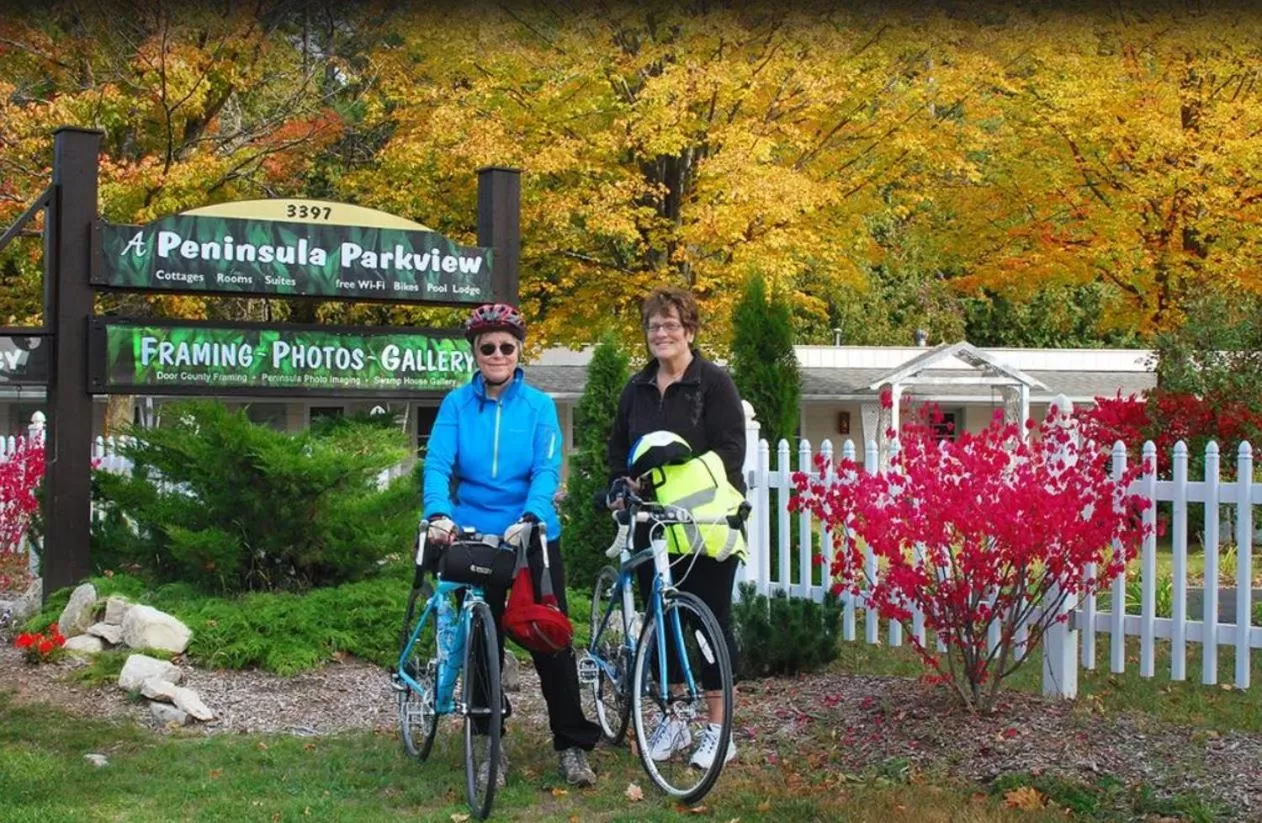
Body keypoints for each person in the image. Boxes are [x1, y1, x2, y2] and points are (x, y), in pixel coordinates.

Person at [424, 302, 601, 789]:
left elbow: (546, 469)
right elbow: (438, 464)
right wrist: (439, 513)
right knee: (481, 646)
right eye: (488, 347)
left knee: (551, 640)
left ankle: (571, 745)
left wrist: (532, 515)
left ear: (519, 351)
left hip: (531, 535)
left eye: (507, 346)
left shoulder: (539, 406)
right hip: (473, 537)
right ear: (475, 353)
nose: (498, 354)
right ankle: (489, 746)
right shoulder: (456, 405)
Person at [606, 285, 746, 770]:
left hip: (704, 521)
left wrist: (673, 470)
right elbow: (618, 450)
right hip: (652, 524)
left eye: (670, 324)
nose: (661, 333)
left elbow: (731, 451)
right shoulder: (637, 388)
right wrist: (621, 484)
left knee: (709, 623)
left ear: (689, 330)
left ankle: (719, 730)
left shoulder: (714, 384)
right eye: (653, 326)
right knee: (661, 624)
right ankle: (674, 718)